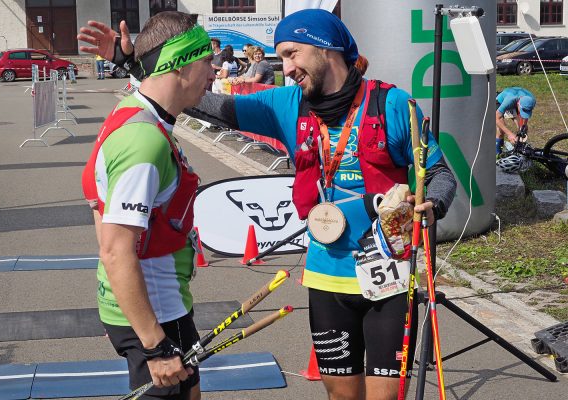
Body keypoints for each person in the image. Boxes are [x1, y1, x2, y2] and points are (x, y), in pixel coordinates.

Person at [79, 8, 457, 400]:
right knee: (342, 395)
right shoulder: (288, 104)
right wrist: (137, 64)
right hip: (327, 275)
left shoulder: (393, 104)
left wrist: (433, 203)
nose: (286, 66)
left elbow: (441, 174)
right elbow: (193, 100)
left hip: (389, 277)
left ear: (325, 47)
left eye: (292, 54)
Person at [78, 11, 215, 400]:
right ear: (180, 63)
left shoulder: (136, 112)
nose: (214, 72)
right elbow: (115, 250)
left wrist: (133, 64)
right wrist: (155, 345)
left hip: (153, 305)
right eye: (206, 60)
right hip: (152, 313)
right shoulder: (144, 140)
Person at [495, 87, 536, 155]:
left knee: (523, 129)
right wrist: (510, 134)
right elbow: (496, 118)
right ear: (518, 104)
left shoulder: (532, 100)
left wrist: (523, 127)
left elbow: (525, 116)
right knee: (501, 131)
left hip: (516, 102)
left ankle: (520, 152)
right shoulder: (509, 100)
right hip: (499, 102)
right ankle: (497, 155)